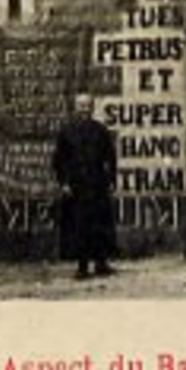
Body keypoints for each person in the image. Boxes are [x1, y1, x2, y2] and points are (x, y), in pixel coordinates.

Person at [52, 92, 118, 280]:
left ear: (93, 108)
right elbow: (58, 160)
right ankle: (82, 266)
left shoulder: (101, 130)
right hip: (76, 187)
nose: (85, 110)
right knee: (79, 227)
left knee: (100, 225)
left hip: (97, 185)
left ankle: (101, 263)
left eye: (88, 106)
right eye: (81, 106)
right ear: (75, 108)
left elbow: (111, 158)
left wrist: (111, 180)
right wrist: (64, 182)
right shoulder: (66, 132)